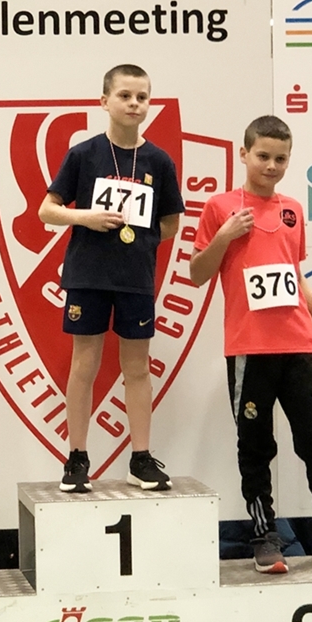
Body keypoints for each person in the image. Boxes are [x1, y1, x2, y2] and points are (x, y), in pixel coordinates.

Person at [189, 115, 312, 573]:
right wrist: (224, 236)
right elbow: (197, 273)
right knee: (255, 445)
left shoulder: (292, 209)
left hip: (299, 345)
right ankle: (264, 534)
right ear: (243, 153)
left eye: (281, 159)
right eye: (263, 156)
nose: (271, 166)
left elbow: (294, 274)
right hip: (249, 349)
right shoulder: (220, 207)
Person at [38, 63, 184, 493]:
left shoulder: (159, 161)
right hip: (88, 276)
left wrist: (137, 240)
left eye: (142, 97)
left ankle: (140, 458)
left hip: (135, 278)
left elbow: (171, 223)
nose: (134, 103)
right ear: (104, 101)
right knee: (84, 365)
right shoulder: (84, 154)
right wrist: (86, 217)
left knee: (137, 367)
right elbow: (47, 210)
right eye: (124, 95)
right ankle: (76, 457)